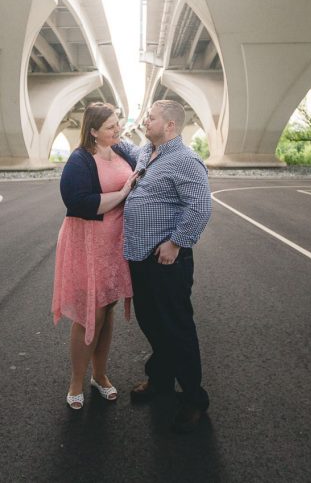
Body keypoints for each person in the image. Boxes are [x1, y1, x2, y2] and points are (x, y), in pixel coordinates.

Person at [123, 99, 212, 433]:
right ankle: (159, 381)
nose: (146, 120)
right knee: (151, 322)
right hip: (140, 255)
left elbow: (200, 207)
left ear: (170, 126)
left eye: (152, 117)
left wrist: (176, 242)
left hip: (166, 258)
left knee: (176, 327)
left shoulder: (187, 161)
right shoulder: (147, 152)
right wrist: (101, 128)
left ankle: (193, 399)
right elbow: (122, 146)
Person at [52, 102, 139, 410]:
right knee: (91, 311)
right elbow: (78, 203)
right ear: (92, 131)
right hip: (88, 243)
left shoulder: (123, 151)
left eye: (118, 123)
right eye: (110, 127)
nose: (118, 129)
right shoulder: (79, 160)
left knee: (108, 308)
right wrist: (123, 194)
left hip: (115, 243)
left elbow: (149, 163)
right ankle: (76, 382)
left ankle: (99, 376)